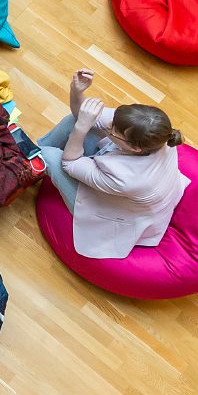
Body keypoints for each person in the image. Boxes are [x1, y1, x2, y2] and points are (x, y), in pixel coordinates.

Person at [38, 69, 189, 260]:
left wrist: (81, 128)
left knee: (49, 155)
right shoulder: (156, 135)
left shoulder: (127, 179)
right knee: (74, 122)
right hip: (134, 188)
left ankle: (33, 157)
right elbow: (81, 114)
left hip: (117, 212)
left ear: (134, 148)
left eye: (113, 131)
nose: (108, 126)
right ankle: (27, 156)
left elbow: (69, 163)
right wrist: (76, 91)